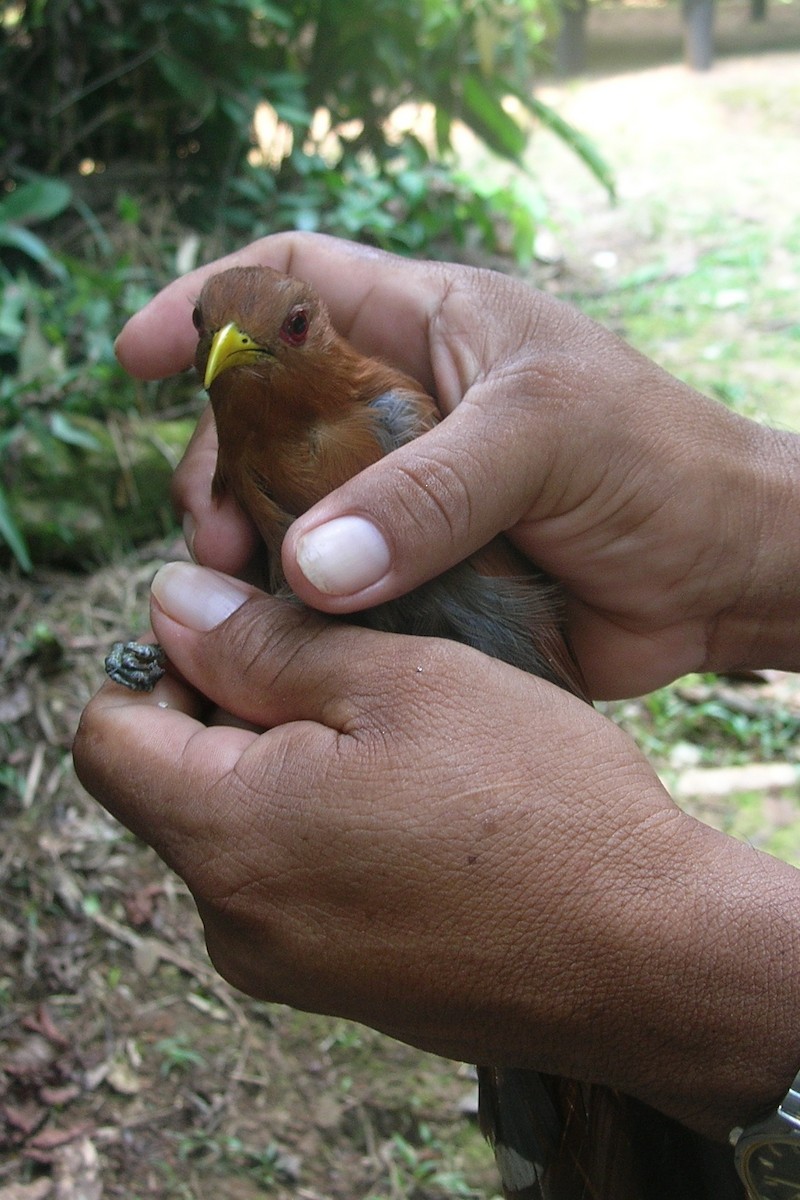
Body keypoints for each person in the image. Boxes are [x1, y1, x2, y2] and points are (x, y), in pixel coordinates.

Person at [73, 232, 800, 1152]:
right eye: (217, 337)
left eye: (288, 330)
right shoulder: (245, 460)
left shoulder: (390, 418)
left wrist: (619, 942)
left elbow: (511, 643)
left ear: (319, 332)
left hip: (501, 688)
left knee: (581, 1092)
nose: (240, 349)